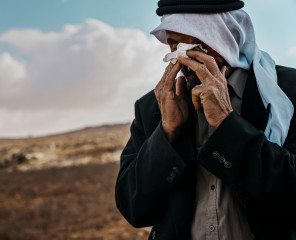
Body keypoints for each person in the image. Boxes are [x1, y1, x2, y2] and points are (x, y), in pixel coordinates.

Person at [115, 0, 296, 239]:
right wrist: (167, 133)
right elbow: (133, 208)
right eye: (174, 45)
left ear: (228, 37)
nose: (184, 58)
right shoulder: (153, 106)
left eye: (197, 46)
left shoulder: (287, 91)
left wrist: (227, 124)